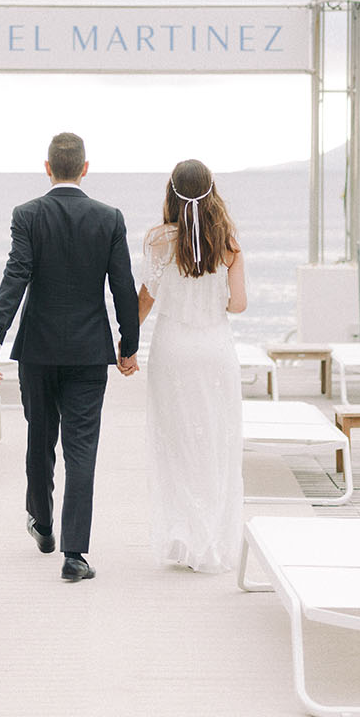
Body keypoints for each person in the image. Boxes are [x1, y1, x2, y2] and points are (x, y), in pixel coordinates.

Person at [0, 132, 140, 582]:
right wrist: (127, 346)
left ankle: (43, 523)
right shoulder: (109, 218)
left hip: (37, 349)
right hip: (90, 352)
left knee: (39, 437)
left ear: (47, 167)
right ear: (85, 168)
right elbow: (123, 286)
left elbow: (16, 275)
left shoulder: (27, 215)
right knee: (81, 449)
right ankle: (75, 555)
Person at [130, 159, 246, 573]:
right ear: (212, 192)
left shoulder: (157, 240)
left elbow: (145, 299)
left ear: (171, 193)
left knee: (176, 444)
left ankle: (183, 537)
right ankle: (211, 540)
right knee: (215, 444)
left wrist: (125, 346)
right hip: (214, 350)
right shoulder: (229, 243)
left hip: (173, 349)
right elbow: (239, 304)